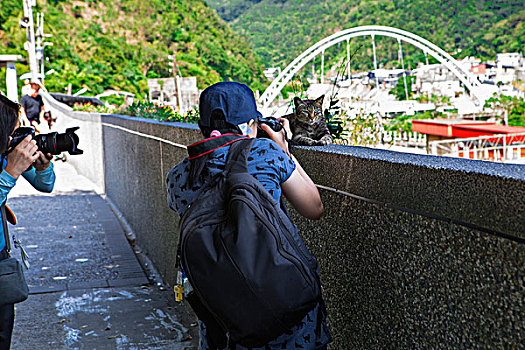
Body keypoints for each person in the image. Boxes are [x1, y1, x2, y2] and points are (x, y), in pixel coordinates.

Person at [166, 82, 331, 350]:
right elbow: (314, 207)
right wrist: (283, 148)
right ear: (253, 124)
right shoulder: (267, 153)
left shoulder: (177, 177)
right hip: (290, 321)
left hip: (226, 323)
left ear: (201, 127)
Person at [0, 93, 55, 350]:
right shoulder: (6, 161)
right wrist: (9, 172)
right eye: (13, 131)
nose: (18, 137)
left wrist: (43, 167)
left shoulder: (5, 153)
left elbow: (46, 186)